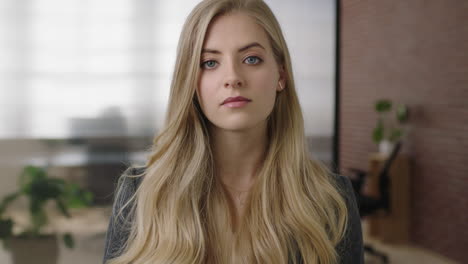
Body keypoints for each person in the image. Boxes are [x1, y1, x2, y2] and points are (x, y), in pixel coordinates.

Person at [103, 0, 363, 263]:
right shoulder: (140, 194)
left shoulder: (330, 198)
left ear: (281, 75)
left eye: (251, 59)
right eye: (210, 63)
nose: (233, 77)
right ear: (191, 82)